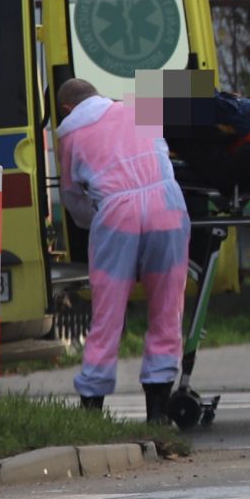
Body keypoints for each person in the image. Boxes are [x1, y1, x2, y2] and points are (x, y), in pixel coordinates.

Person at [56, 78, 190, 423]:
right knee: (167, 308)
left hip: (117, 215)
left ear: (67, 109)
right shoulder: (137, 106)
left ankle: (91, 406)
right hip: (168, 206)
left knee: (107, 312)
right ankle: (158, 409)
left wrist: (94, 219)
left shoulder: (69, 134)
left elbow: (73, 199)